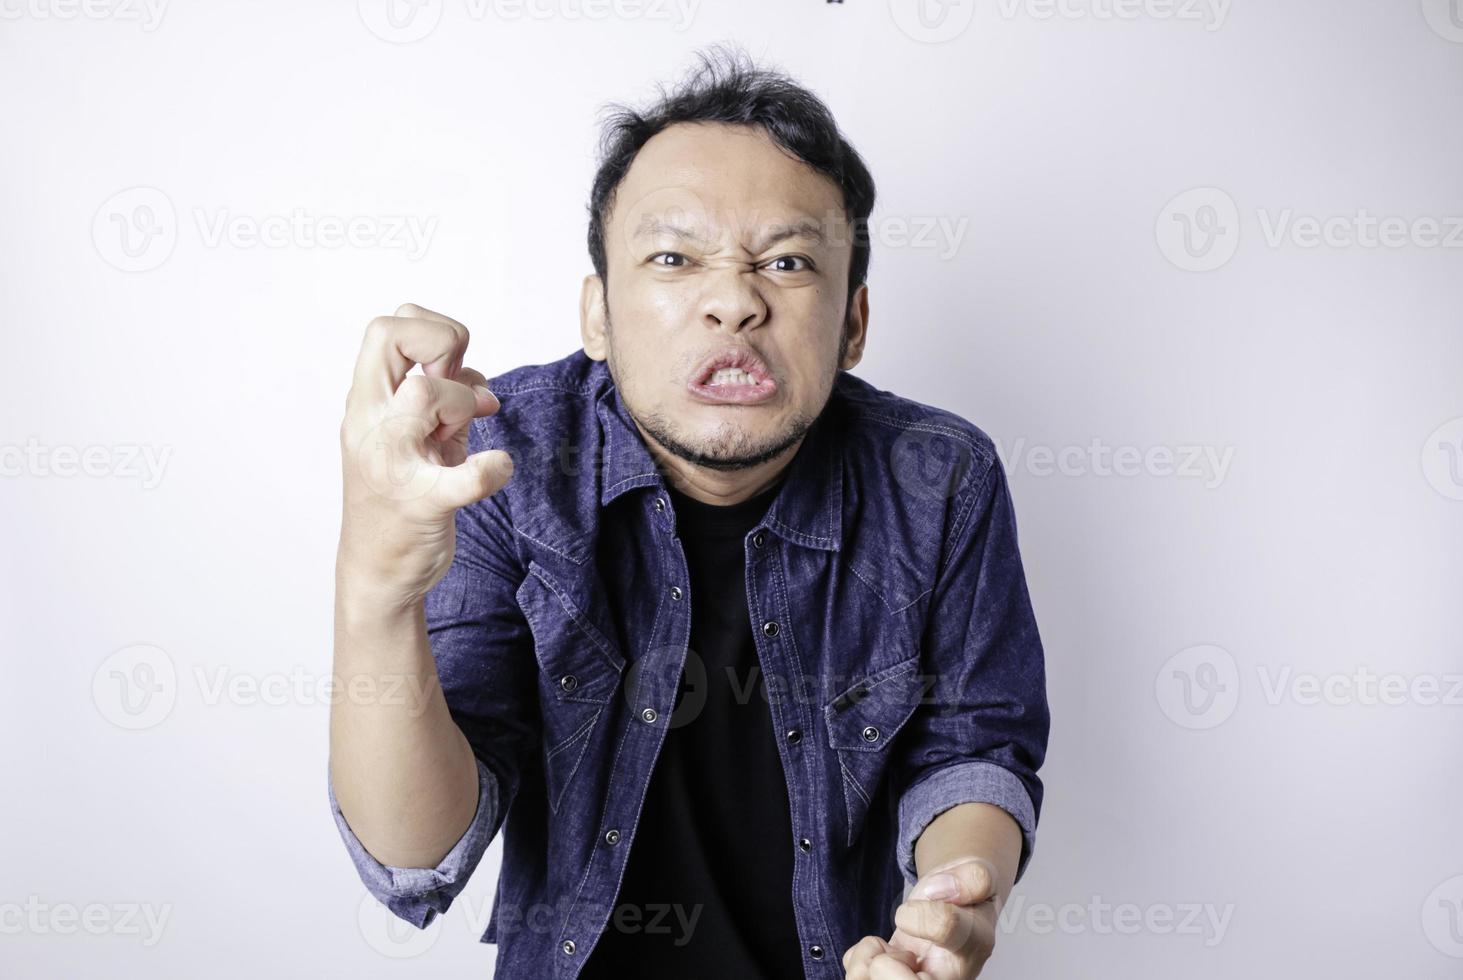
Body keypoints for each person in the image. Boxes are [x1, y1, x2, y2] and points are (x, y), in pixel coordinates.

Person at [328, 45, 1049, 980]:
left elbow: (973, 749)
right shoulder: (500, 461)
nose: (733, 303)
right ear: (599, 314)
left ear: (854, 324)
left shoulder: (939, 477)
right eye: (674, 257)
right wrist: (373, 588)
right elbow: (416, 855)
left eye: (786, 261)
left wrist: (958, 899)